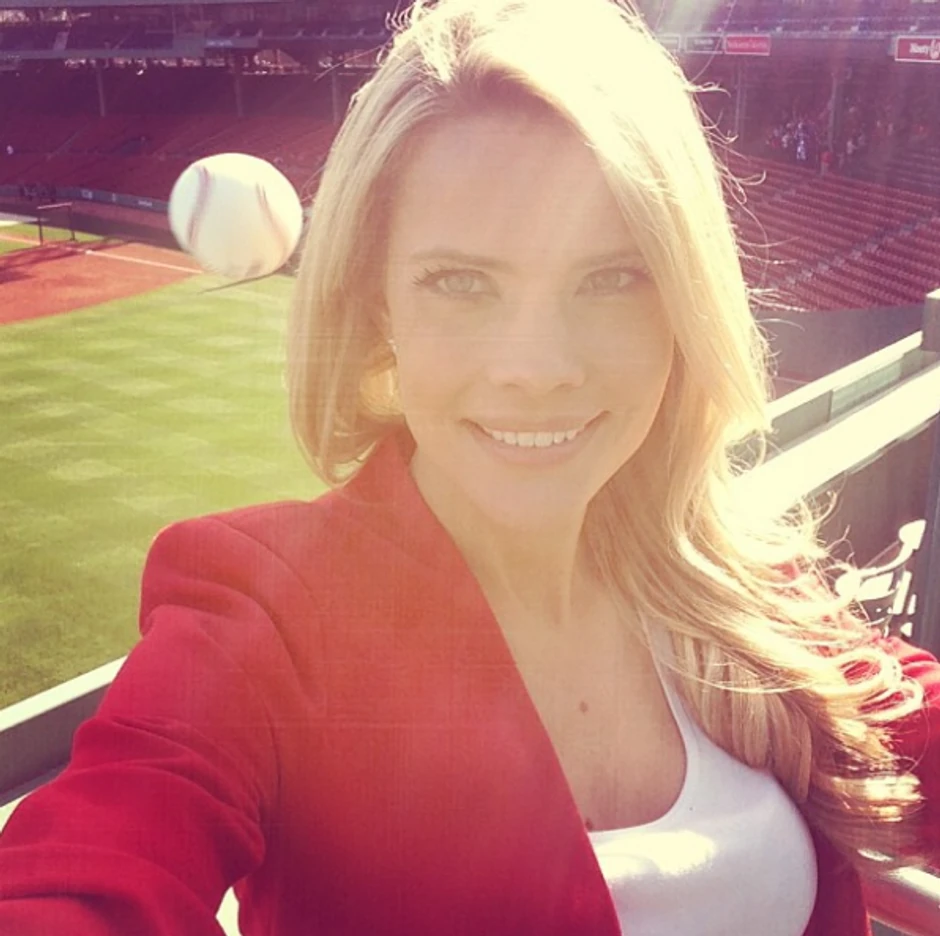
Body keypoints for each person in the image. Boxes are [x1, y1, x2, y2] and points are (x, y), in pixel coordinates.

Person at [1, 1, 938, 934]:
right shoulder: (265, 615)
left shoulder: (738, 586)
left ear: (683, 300)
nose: (538, 367)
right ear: (378, 304)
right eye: (461, 283)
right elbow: (88, 876)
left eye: (613, 278)